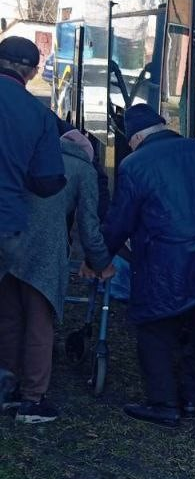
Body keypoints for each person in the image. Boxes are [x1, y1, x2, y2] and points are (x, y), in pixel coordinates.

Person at [98, 103, 195, 427]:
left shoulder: (134, 165)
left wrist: (99, 257)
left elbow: (120, 222)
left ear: (135, 137)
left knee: (154, 332)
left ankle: (163, 404)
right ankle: (193, 401)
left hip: (167, 266)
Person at [2, 128, 114, 423]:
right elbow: (89, 227)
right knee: (40, 326)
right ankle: (32, 401)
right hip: (43, 253)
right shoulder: (83, 169)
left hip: (8, 246)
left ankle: (8, 390)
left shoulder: (29, 157)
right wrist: (101, 262)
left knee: (10, 322)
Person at [0, 36, 67, 418]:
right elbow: (48, 182)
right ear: (30, 71)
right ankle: (17, 391)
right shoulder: (38, 115)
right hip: (7, 225)